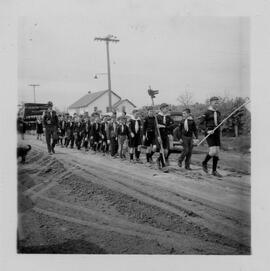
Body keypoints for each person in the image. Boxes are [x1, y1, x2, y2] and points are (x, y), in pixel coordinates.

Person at [200, 96, 222, 177]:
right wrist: (207, 130)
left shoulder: (218, 112)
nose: (216, 103)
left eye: (217, 102)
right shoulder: (207, 112)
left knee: (217, 152)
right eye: (215, 102)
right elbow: (200, 124)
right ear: (211, 102)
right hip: (209, 133)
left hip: (216, 133)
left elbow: (218, 122)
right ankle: (204, 162)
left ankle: (214, 171)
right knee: (212, 151)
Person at [156, 103, 174, 172]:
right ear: (162, 109)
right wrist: (158, 136)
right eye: (166, 108)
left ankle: (158, 160)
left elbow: (173, 125)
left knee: (166, 151)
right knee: (162, 151)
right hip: (159, 136)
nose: (167, 109)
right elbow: (156, 128)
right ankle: (164, 166)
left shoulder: (168, 117)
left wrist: (165, 127)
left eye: (167, 108)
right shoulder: (157, 117)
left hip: (166, 135)